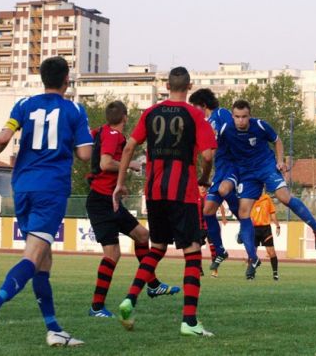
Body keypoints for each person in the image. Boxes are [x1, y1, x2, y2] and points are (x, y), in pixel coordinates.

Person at [0, 56, 93, 346]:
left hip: (22, 186)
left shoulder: (25, 105)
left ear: (43, 79)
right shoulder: (75, 109)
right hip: (50, 189)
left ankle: (54, 330)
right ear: (67, 79)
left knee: (44, 259)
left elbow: (3, 137)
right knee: (33, 256)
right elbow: (85, 155)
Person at [112, 67, 217, 336]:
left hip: (155, 192)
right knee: (193, 253)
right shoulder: (195, 114)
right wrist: (204, 179)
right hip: (182, 194)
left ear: (166, 85)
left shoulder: (150, 113)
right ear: (189, 86)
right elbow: (207, 156)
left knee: (156, 248)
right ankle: (190, 322)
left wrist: (120, 184)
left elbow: (128, 147)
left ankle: (130, 298)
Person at [85, 101, 179, 318]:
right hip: (101, 202)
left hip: (109, 199)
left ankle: (153, 284)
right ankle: (96, 307)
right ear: (125, 117)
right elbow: (105, 163)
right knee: (113, 253)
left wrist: (118, 183)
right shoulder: (114, 135)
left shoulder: (101, 131)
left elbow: (89, 143)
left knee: (142, 235)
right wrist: (130, 165)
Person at [220, 99, 316, 279]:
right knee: (244, 213)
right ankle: (253, 258)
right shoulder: (226, 130)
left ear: (250, 115)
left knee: (284, 196)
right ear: (232, 116)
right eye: (237, 117)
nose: (241, 121)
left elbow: (277, 141)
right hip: (247, 174)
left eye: (244, 117)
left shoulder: (260, 126)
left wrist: (280, 160)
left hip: (266, 167)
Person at [188, 88, 241, 273]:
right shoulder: (206, 123)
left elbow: (234, 133)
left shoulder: (221, 113)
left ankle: (244, 223)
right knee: (208, 210)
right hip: (220, 169)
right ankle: (220, 250)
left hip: (232, 164)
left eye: (195, 107)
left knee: (225, 191)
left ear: (203, 105)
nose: (195, 111)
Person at [250, 192, 281, 280]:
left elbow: (272, 213)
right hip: (254, 229)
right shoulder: (250, 198)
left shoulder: (267, 199)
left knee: (271, 252)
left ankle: (275, 273)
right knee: (252, 252)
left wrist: (277, 226)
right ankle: (251, 273)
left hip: (266, 229)